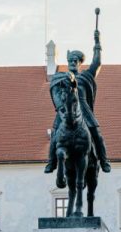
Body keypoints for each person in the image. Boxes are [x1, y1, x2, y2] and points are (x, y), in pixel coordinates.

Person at [45, 29, 111, 174]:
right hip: (64, 110)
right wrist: (61, 109)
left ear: (80, 63)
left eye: (76, 61)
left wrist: (97, 42)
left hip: (84, 110)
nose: (73, 63)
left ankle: (104, 160)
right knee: (55, 134)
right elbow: (56, 96)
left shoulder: (85, 76)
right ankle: (51, 162)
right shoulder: (59, 78)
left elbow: (97, 62)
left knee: (97, 134)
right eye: (71, 60)